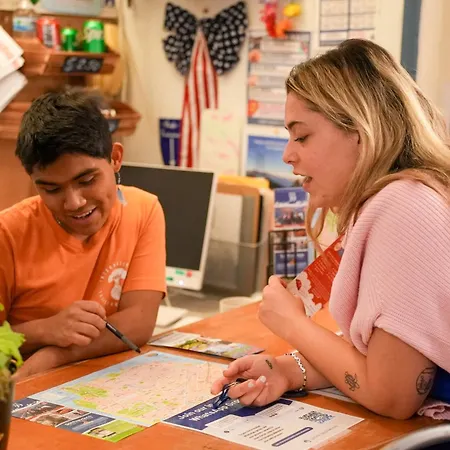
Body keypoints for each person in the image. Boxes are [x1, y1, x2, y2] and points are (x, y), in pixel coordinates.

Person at [211, 39, 450, 420]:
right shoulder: (404, 197)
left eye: (302, 136)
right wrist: (287, 369)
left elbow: (392, 397)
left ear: (360, 131)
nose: (287, 155)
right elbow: (379, 358)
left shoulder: (405, 206)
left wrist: (293, 325)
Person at [0, 91, 166, 379]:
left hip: (86, 377)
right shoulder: (8, 233)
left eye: (87, 180)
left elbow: (138, 322)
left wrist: (55, 355)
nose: (74, 203)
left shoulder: (144, 209)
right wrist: (45, 330)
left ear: (115, 158)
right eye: (51, 189)